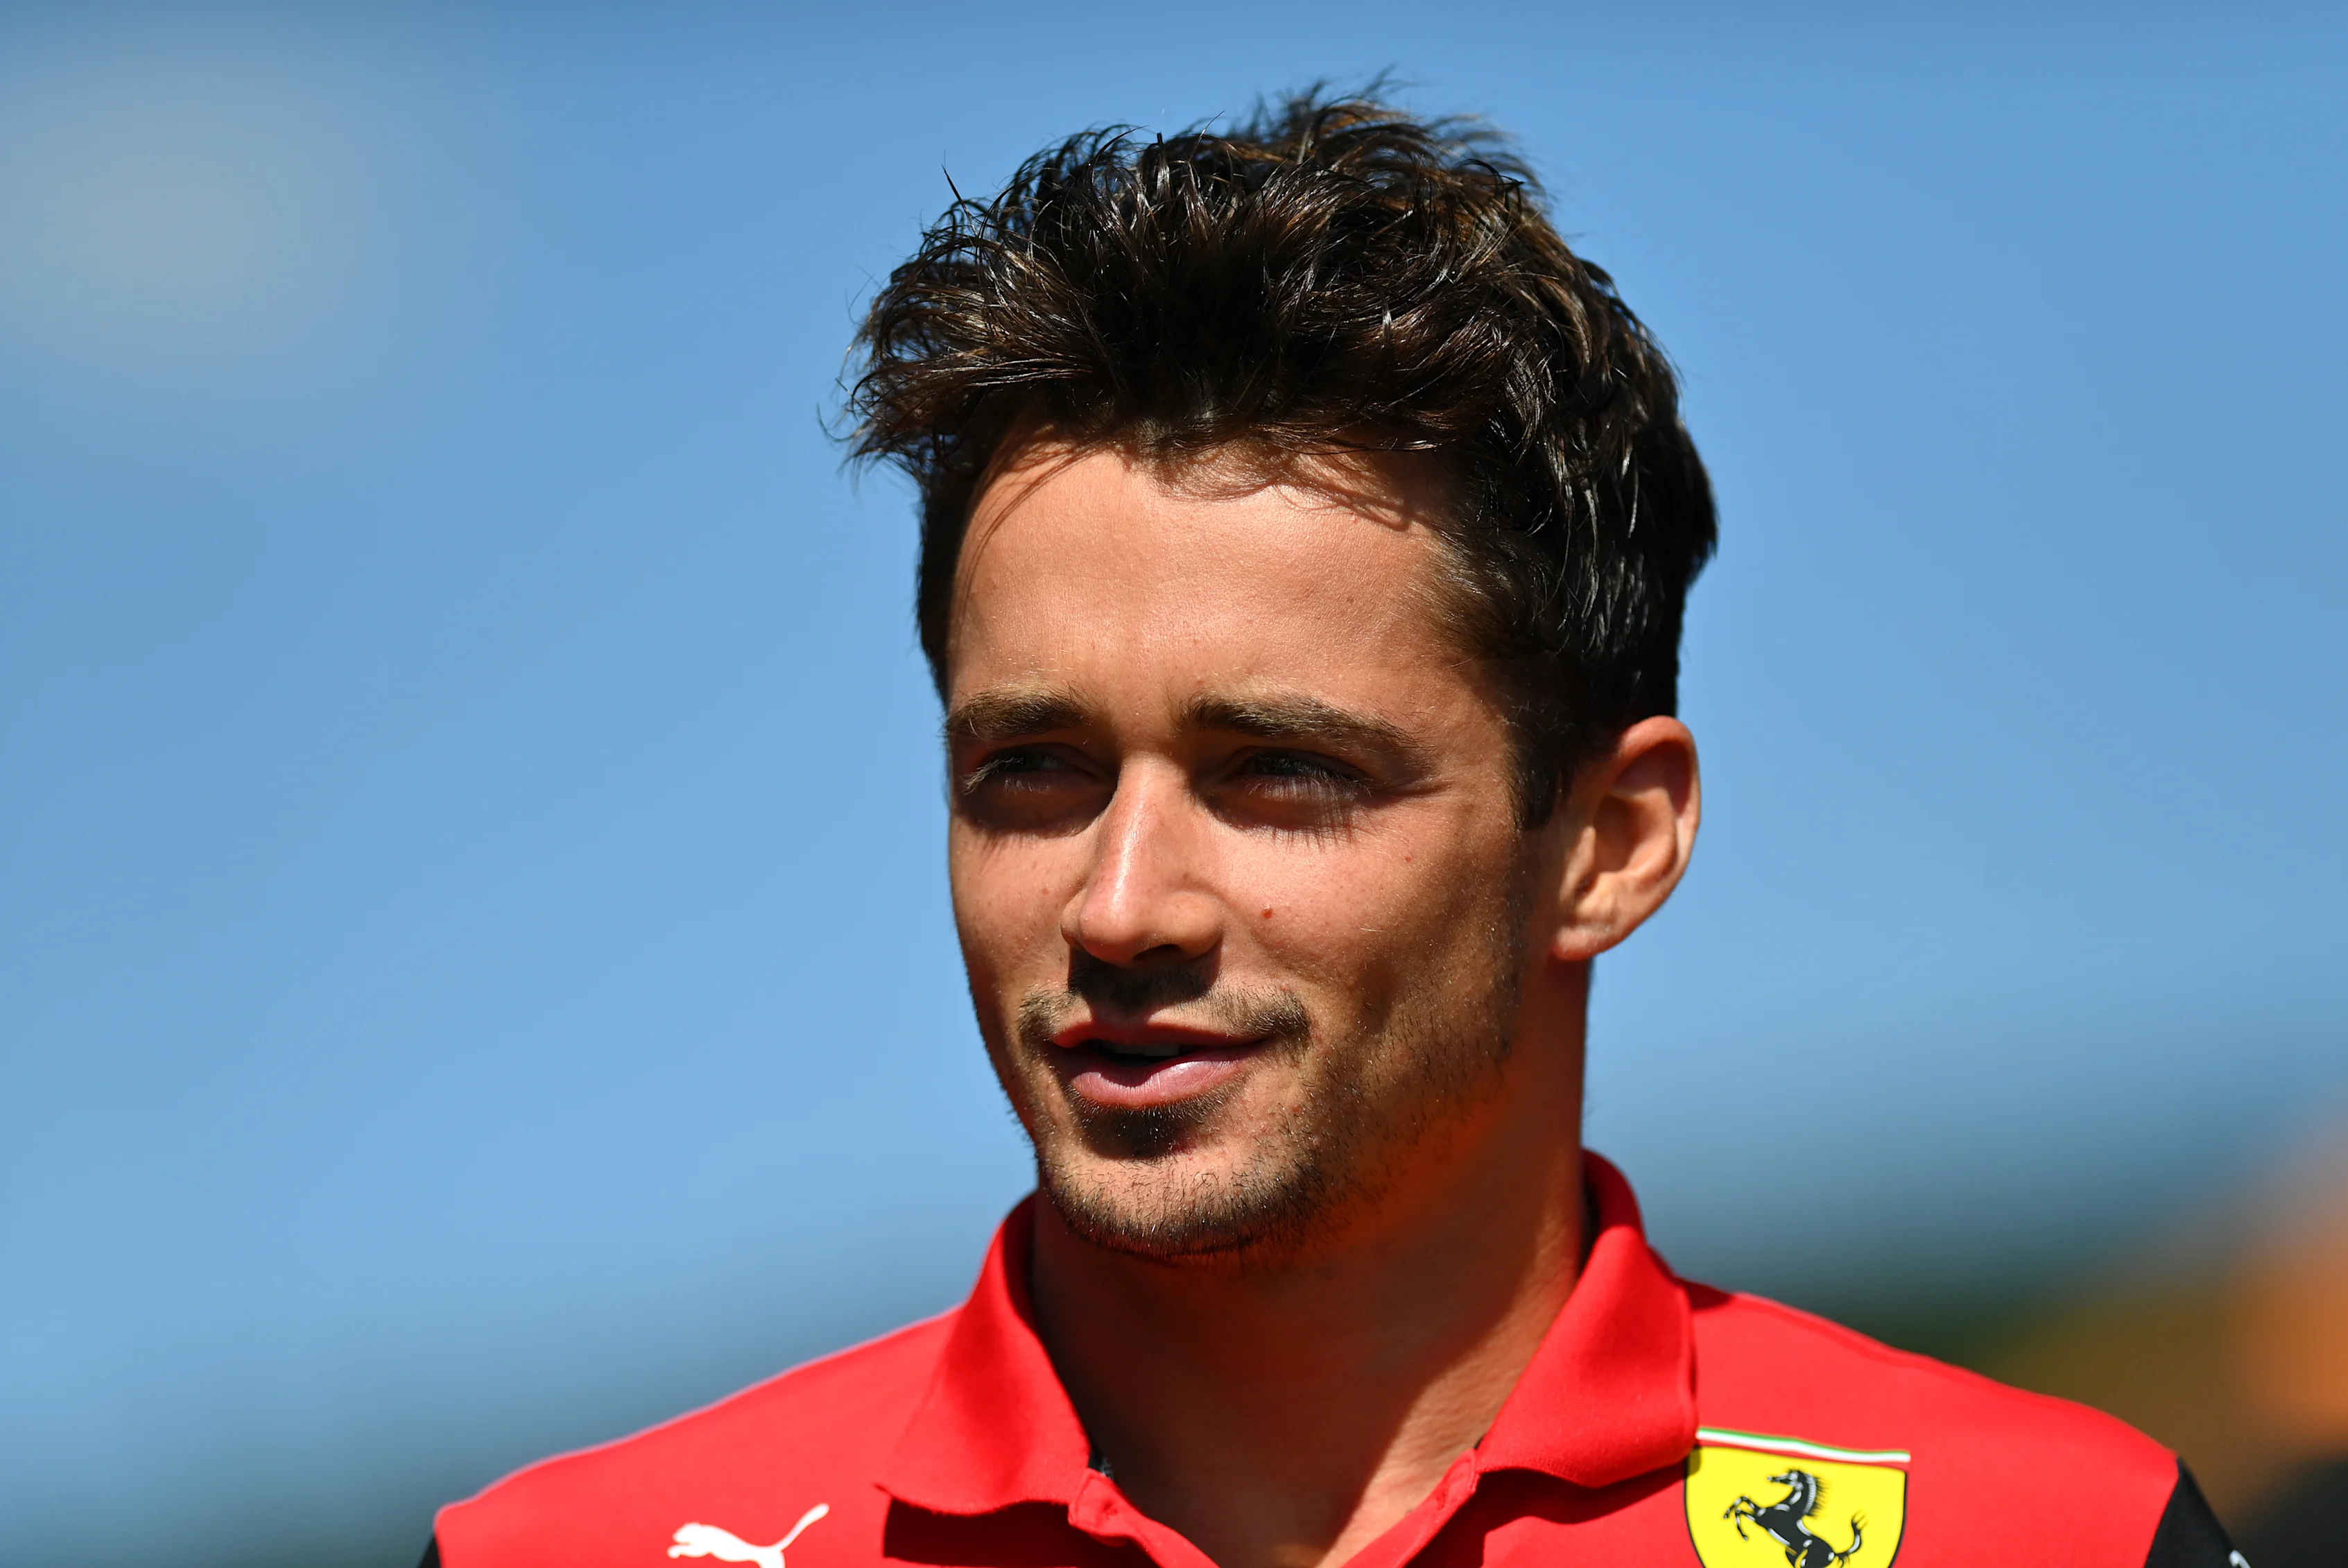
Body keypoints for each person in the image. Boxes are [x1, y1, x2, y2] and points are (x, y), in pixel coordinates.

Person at [422, 93, 2243, 1568]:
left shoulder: (2052, 1537)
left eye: (1280, 776)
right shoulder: (572, 1555)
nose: (1121, 902)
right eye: (1032, 772)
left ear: (1611, 837)